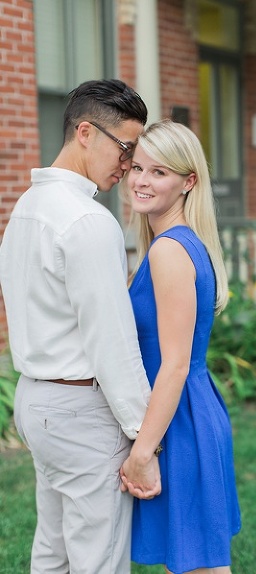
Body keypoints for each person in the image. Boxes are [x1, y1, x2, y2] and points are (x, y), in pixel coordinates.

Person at [0, 79, 158, 573]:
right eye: (126, 148)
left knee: (54, 549)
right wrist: (144, 438)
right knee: (98, 559)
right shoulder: (88, 222)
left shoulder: (25, 210)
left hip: (36, 402)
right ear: (86, 132)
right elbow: (111, 342)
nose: (130, 164)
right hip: (80, 410)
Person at [118, 119, 241, 573]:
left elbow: (173, 366)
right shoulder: (181, 243)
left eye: (159, 172)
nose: (142, 181)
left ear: (189, 182)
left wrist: (142, 452)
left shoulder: (169, 251)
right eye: (138, 168)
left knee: (200, 567)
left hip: (179, 422)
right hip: (188, 410)